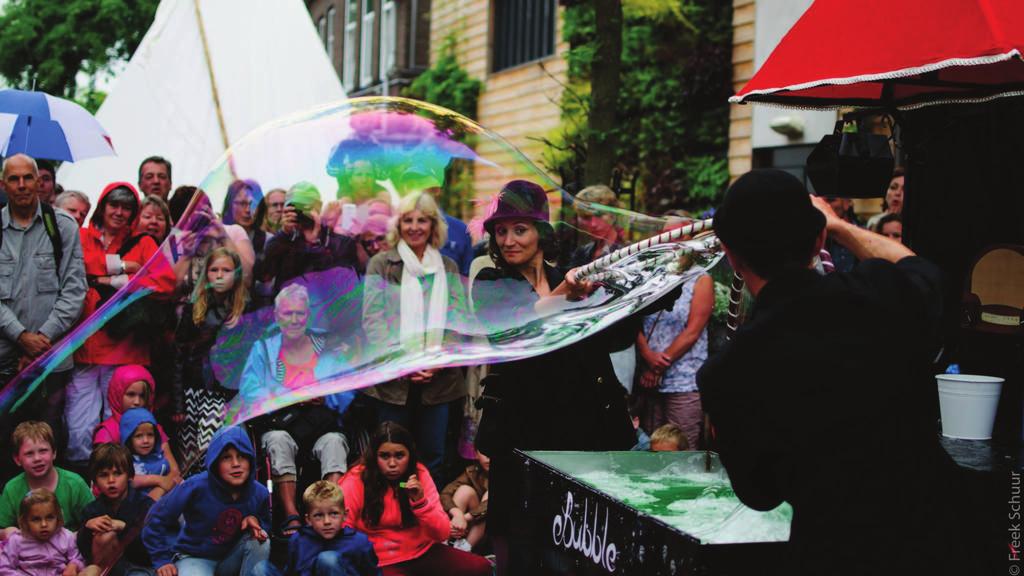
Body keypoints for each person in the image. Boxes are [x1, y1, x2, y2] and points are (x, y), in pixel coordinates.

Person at [696, 169, 975, 575]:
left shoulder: (727, 372)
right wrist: (842, 226)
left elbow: (760, 495)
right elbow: (926, 274)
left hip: (834, 553)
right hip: (938, 539)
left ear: (732, 256)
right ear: (819, 241)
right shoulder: (877, 293)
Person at [470, 180, 637, 576]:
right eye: (501, 230)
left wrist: (645, 288)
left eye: (519, 229)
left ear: (541, 231)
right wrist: (566, 294)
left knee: (573, 550)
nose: (508, 240)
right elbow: (518, 323)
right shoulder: (492, 284)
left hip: (580, 433)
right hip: (521, 439)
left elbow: (617, 333)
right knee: (520, 550)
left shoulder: (574, 278)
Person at [361, 192, 469, 483]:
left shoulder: (448, 268)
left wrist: (436, 362)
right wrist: (404, 361)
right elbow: (373, 321)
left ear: (434, 225)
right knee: (390, 457)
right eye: (408, 220)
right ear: (399, 224)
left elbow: (457, 322)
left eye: (422, 220)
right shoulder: (381, 265)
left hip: (439, 383)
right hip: (393, 385)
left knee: (432, 457)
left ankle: (426, 520)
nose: (414, 227)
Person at [67, 182, 171, 470]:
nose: (120, 212)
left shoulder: (144, 242)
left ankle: (123, 486)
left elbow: (165, 283)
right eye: (114, 205)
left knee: (122, 427)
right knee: (79, 426)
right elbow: (81, 264)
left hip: (125, 348)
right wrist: (127, 268)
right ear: (102, 206)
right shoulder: (82, 235)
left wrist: (104, 279)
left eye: (127, 207)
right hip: (85, 345)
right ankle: (86, 486)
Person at [240, 284, 354, 538]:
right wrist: (285, 398)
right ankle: (291, 514)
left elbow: (348, 385)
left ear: (308, 316)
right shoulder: (264, 349)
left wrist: (326, 397)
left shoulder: (328, 345)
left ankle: (329, 510)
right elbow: (249, 389)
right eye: (287, 313)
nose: (294, 319)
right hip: (281, 425)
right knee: (278, 441)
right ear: (277, 316)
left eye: (299, 314)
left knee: (335, 443)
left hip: (322, 423)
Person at [0, 154, 87, 468]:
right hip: (5, 360)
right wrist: (21, 336)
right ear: (3, 184)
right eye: (14, 178)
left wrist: (41, 339)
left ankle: (48, 515)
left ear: (40, 182)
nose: (22, 185)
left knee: (48, 444)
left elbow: (75, 290)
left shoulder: (61, 226)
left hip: (51, 361)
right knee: (5, 446)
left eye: (28, 177)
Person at [339, 422, 491, 576]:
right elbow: (343, 530)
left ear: (409, 455)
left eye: (399, 456)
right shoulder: (355, 479)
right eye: (384, 456)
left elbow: (442, 533)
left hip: (421, 551)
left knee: (481, 567)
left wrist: (421, 503)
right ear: (374, 456)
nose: (392, 464)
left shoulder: (419, 473)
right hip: (379, 559)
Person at [142, 425, 270, 576]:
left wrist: (255, 521)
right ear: (215, 463)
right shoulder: (195, 486)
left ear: (251, 460)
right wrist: (161, 559)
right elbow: (155, 518)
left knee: (261, 541)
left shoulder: (259, 492)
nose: (236, 464)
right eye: (226, 457)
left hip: (231, 559)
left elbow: (266, 524)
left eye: (242, 456)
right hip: (195, 557)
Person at [635, 218, 713, 449]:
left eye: (678, 235)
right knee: (651, 446)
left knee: (682, 448)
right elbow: (632, 319)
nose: (672, 241)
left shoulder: (701, 278)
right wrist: (648, 356)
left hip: (683, 379)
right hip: (649, 380)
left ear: (692, 239)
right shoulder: (652, 276)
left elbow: (693, 330)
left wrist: (658, 365)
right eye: (666, 235)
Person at [173, 247, 247, 461]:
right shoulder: (193, 308)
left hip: (221, 394)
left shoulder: (244, 310)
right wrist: (178, 402)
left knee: (210, 451)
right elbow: (178, 356)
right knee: (188, 456)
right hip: (191, 392)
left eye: (226, 270)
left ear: (237, 274)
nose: (220, 275)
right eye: (214, 270)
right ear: (206, 274)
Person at [254, 481, 380, 576]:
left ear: (345, 515)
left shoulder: (359, 542)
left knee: (327, 559)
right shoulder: (299, 540)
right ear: (308, 519)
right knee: (260, 569)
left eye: (334, 514)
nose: (327, 522)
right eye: (319, 515)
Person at [92, 365, 179, 493]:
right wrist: (158, 480)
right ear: (117, 394)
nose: (137, 402)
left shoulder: (153, 427)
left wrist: (157, 492)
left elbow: (174, 471)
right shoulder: (107, 432)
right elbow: (109, 478)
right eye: (131, 395)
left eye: (142, 396)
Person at [0, 422, 93, 536]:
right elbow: (2, 527)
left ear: (54, 453)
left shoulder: (74, 484)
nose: (37, 458)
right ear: (17, 459)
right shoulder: (12, 488)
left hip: (68, 549)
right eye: (29, 454)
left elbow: (94, 522)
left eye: (43, 451)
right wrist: (6, 532)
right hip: (27, 550)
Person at [78, 443, 155, 576]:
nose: (111, 480)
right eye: (103, 475)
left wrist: (124, 527)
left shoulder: (145, 505)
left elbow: (150, 547)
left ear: (130, 475)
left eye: (117, 473)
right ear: (95, 480)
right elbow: (84, 552)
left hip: (140, 568)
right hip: (106, 570)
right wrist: (87, 528)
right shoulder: (92, 510)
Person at [0, 489, 86, 576]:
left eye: (50, 517)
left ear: (58, 517)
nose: (44, 524)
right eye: (36, 519)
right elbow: (4, 568)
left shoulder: (66, 537)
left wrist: (73, 565)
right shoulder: (16, 540)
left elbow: (78, 558)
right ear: (25, 521)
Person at [439, 450, 489, 552]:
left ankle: (464, 549)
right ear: (476, 454)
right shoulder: (473, 471)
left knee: (491, 494)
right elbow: (445, 494)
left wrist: (463, 519)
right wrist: (457, 516)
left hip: (491, 532)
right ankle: (446, 542)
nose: (489, 458)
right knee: (464, 491)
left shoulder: (506, 474)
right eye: (485, 452)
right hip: (467, 528)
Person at [120, 409, 172, 500]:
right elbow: (129, 481)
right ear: (128, 438)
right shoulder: (125, 461)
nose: (146, 441)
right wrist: (159, 480)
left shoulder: (160, 459)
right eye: (139, 436)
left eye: (150, 435)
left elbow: (172, 481)